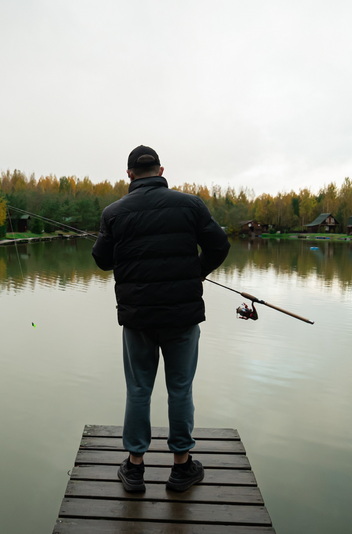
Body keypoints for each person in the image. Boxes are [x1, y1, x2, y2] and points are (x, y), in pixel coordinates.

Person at [92, 145, 230, 493]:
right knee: (180, 388)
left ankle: (135, 469)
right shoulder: (191, 205)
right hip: (182, 316)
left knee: (139, 389)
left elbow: (102, 260)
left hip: (138, 317)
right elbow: (220, 246)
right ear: (161, 170)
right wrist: (195, 272)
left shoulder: (114, 212)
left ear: (128, 175)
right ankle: (181, 467)